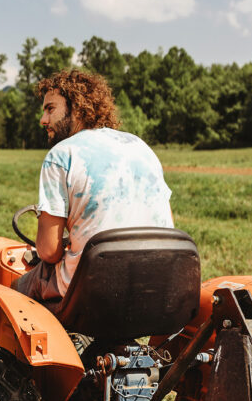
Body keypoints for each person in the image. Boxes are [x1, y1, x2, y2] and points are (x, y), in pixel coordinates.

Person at [14, 69, 173, 308]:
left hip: (95, 285)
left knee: (13, 293)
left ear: (77, 107)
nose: (43, 120)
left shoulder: (61, 155)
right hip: (158, 278)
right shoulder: (140, 145)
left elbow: (48, 252)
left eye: (50, 109)